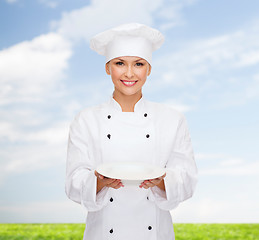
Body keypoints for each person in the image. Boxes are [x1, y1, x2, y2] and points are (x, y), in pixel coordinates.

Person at [65, 23, 198, 240]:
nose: (129, 73)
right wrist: (100, 182)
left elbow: (187, 180)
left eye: (138, 64)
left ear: (149, 69)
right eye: (120, 63)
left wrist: (162, 181)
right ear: (108, 68)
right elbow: (73, 183)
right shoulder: (86, 120)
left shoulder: (172, 119)